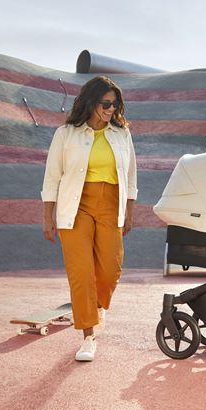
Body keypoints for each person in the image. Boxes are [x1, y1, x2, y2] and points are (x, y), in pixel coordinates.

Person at [41, 75, 138, 362]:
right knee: (81, 273)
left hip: (111, 204)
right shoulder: (66, 134)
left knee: (110, 271)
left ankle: (94, 308)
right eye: (105, 104)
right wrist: (48, 217)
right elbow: (52, 176)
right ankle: (88, 335)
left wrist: (129, 211)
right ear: (91, 102)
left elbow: (131, 175)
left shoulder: (122, 134)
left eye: (115, 104)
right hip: (75, 206)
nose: (111, 109)